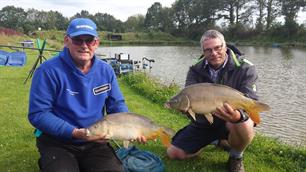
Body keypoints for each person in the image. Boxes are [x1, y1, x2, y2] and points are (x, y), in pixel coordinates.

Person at [28, 18, 145, 172]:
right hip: (58, 142)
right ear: (66, 41)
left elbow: (116, 105)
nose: (84, 46)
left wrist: (131, 127)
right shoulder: (47, 71)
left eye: (89, 40)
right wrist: (74, 132)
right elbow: (38, 114)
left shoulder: (106, 70)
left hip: (96, 141)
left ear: (96, 43)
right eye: (77, 40)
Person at [167, 30, 258, 172]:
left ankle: (236, 157)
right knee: (174, 153)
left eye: (217, 48)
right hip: (205, 122)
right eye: (208, 50)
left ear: (225, 46)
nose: (214, 53)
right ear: (203, 51)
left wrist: (238, 116)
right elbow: (188, 101)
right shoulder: (195, 69)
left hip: (232, 121)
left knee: (245, 124)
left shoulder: (246, 67)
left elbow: (251, 98)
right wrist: (185, 109)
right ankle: (216, 140)